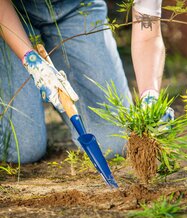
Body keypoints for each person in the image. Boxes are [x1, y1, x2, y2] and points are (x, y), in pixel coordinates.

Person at [0, 0, 172, 164]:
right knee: (21, 149)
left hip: (77, 7)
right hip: (10, 12)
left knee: (114, 142)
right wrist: (31, 61)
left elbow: (148, 32)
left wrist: (150, 95)